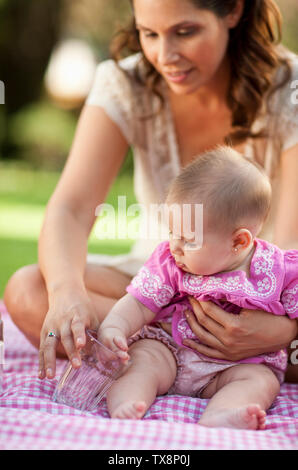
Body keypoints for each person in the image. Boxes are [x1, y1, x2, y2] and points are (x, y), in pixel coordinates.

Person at [3, 0, 298, 383]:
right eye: (149, 33)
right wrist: (66, 293)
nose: (165, 55)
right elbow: (72, 209)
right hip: (163, 278)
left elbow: (292, 247)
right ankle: (189, 351)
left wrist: (286, 330)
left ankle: (171, 358)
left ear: (233, 11)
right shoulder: (126, 83)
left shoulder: (289, 86)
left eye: (185, 31)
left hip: (259, 293)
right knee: (29, 290)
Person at [99, 147, 296, 429]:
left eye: (188, 239)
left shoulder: (280, 270)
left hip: (237, 364)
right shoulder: (171, 260)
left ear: (239, 242)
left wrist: (288, 330)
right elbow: (140, 302)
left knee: (259, 381)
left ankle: (224, 413)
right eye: (172, 233)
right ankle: (126, 401)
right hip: (172, 351)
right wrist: (115, 327)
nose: (175, 246)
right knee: (143, 359)